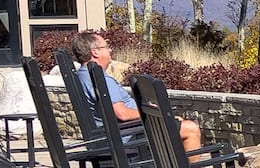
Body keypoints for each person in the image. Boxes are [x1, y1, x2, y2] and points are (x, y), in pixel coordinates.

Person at [72, 32, 205, 158]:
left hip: (115, 134)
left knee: (175, 125)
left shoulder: (83, 75)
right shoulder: (99, 78)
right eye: (106, 47)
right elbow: (122, 114)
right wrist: (158, 115)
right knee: (190, 129)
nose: (110, 50)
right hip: (127, 135)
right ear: (95, 52)